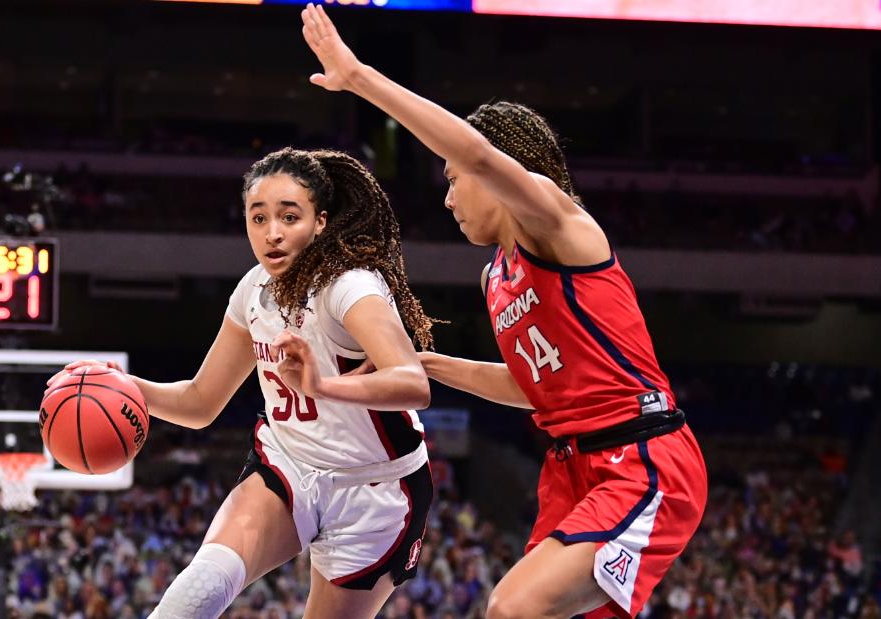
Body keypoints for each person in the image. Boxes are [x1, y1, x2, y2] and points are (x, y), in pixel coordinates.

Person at [299, 5, 708, 618]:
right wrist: (427, 363)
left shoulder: (561, 224)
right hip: (572, 468)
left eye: (452, 178)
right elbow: (532, 388)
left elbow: (481, 154)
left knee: (511, 608)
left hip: (641, 457)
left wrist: (359, 78)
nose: (447, 195)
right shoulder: (496, 275)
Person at [48, 147, 437, 619]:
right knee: (198, 588)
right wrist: (121, 386)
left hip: (377, 490)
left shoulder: (351, 286)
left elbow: (413, 383)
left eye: (289, 217)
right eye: (258, 218)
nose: (272, 233)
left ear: (320, 222)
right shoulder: (253, 290)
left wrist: (321, 385)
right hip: (289, 464)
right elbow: (200, 402)